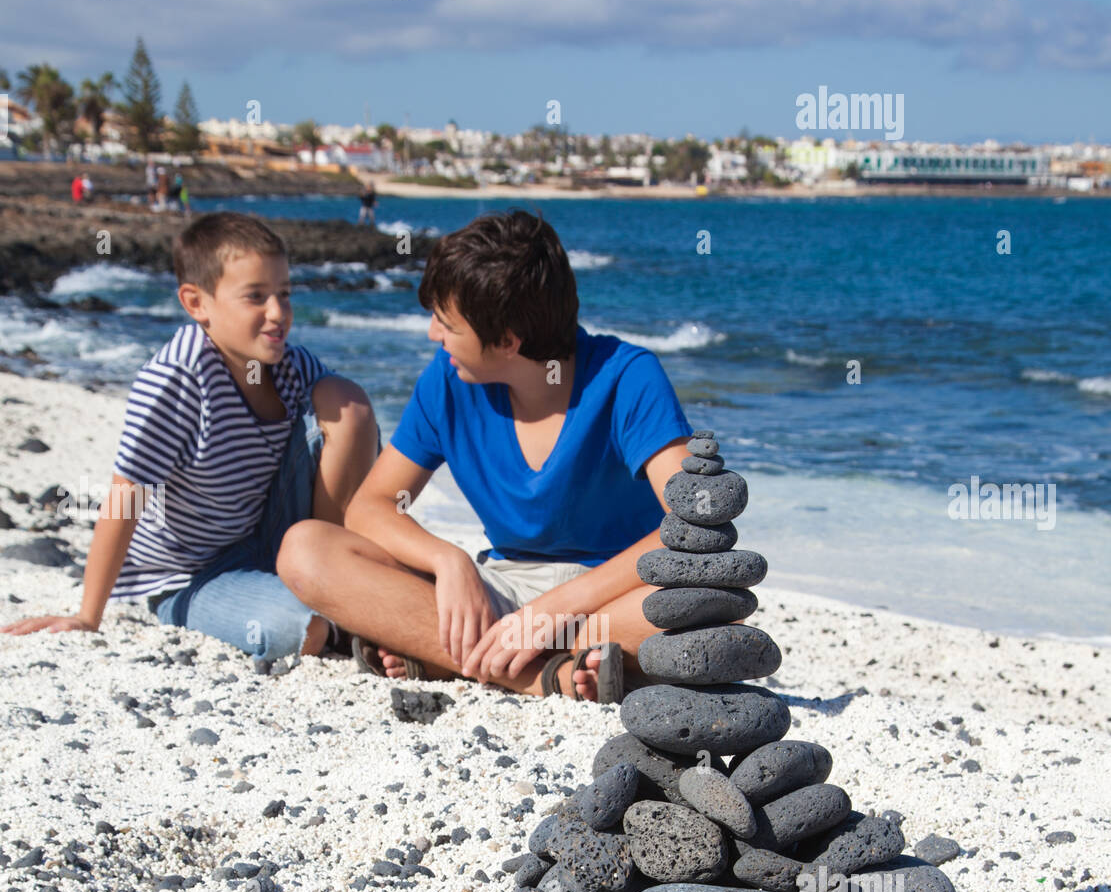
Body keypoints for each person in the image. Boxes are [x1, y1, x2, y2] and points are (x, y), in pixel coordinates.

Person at [276, 209, 693, 702]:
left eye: (446, 323)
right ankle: (541, 676)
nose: (434, 334)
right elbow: (372, 506)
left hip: (609, 597)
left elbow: (691, 528)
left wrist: (554, 611)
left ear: (507, 341)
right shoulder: (448, 380)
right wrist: (450, 562)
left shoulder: (629, 377)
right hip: (500, 589)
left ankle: (444, 653)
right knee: (304, 550)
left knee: (713, 607)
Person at [2, 213, 377, 662]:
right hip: (195, 575)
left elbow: (358, 452)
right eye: (255, 297)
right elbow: (126, 497)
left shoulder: (290, 365)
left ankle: (332, 572)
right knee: (301, 629)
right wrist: (88, 615)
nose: (278, 313)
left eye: (284, 294)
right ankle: (337, 612)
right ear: (196, 303)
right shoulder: (176, 380)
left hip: (273, 534)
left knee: (348, 404)